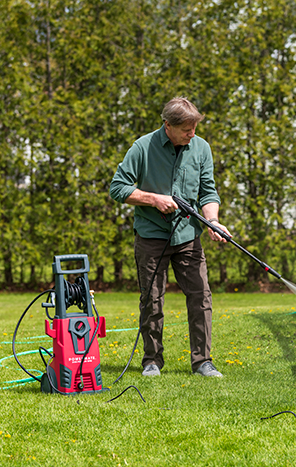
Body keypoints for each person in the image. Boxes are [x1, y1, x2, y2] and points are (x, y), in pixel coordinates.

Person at [109, 97, 230, 378]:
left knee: (201, 297)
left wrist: (212, 221)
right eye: (187, 129)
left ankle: (203, 362)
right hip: (151, 237)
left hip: (188, 237)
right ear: (168, 126)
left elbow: (208, 192)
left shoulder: (201, 149)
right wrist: (153, 199)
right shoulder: (142, 148)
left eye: (194, 128)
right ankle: (152, 360)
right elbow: (118, 188)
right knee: (152, 300)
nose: (192, 134)